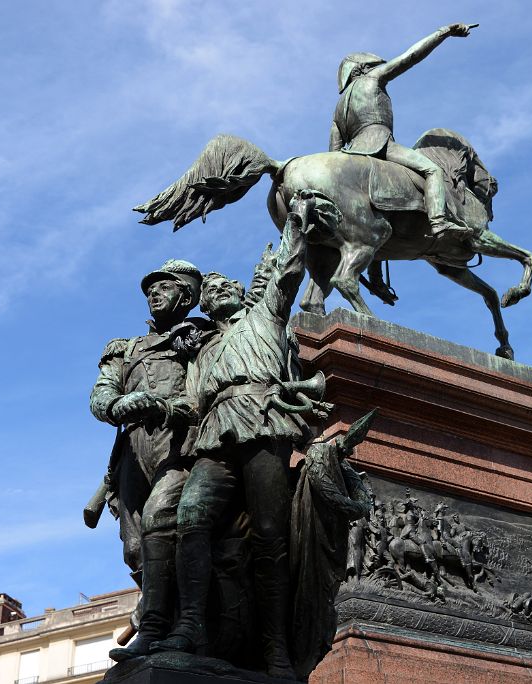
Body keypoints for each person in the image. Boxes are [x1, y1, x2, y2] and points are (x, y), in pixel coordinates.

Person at [150, 193, 317, 679]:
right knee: (191, 518)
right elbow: (191, 402)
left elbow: (287, 269)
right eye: (212, 288)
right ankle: (189, 626)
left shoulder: (265, 315)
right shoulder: (203, 351)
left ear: (241, 292)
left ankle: (276, 649)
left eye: (226, 284)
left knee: (271, 536)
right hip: (215, 430)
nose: (219, 288)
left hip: (264, 417)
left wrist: (296, 224)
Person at [88, 259, 207, 661]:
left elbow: (210, 391)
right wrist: (122, 403)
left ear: (186, 296)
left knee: (160, 520)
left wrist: (171, 408)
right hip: (132, 454)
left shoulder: (200, 338)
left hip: (179, 446)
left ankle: (155, 627)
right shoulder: (124, 349)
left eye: (165, 286)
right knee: (135, 550)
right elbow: (100, 398)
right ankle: (164, 614)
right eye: (150, 288)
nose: (154, 293)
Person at [330, 23, 476, 237]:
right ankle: (438, 222)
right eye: (371, 66)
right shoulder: (373, 78)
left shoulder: (337, 109)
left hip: (352, 153)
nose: (375, 68)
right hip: (380, 143)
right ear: (360, 69)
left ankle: (375, 271)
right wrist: (444, 32)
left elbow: (333, 155)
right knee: (432, 170)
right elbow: (411, 56)